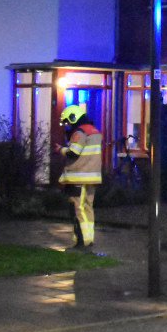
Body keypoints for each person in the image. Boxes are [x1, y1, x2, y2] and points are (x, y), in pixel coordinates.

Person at [58, 103, 102, 249]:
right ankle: (89, 239)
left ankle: (81, 242)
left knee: (77, 208)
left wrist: (61, 150)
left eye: (67, 123)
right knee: (88, 208)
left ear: (73, 118)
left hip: (78, 178)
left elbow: (73, 152)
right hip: (92, 178)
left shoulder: (79, 133)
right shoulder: (94, 131)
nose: (66, 127)